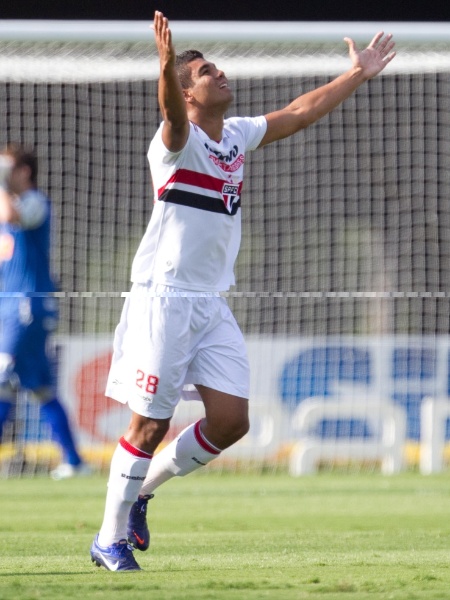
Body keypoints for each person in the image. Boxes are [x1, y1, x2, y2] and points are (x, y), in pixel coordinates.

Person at [90, 11, 396, 571]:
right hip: (165, 297)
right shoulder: (173, 144)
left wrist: (358, 74)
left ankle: (141, 494)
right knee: (149, 423)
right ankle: (107, 539)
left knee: (232, 422)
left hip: (210, 301)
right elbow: (170, 114)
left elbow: (300, 112)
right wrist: (165, 66)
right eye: (207, 71)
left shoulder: (235, 135)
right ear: (186, 94)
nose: (221, 73)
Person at [0, 143, 91, 480]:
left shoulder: (35, 202)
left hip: (28, 309)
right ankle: (75, 461)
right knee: (39, 389)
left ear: (23, 172)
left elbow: (12, 214)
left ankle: (74, 460)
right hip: (10, 309)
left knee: (2, 378)